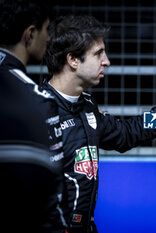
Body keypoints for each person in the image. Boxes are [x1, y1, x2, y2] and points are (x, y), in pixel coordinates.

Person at [42, 15, 156, 233]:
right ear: (73, 60)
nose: (107, 61)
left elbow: (127, 132)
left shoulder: (86, 105)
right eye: (98, 54)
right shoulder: (38, 110)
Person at [0, 0, 67, 232]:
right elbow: (50, 193)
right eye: (46, 30)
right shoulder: (35, 99)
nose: (49, 38)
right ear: (30, 34)